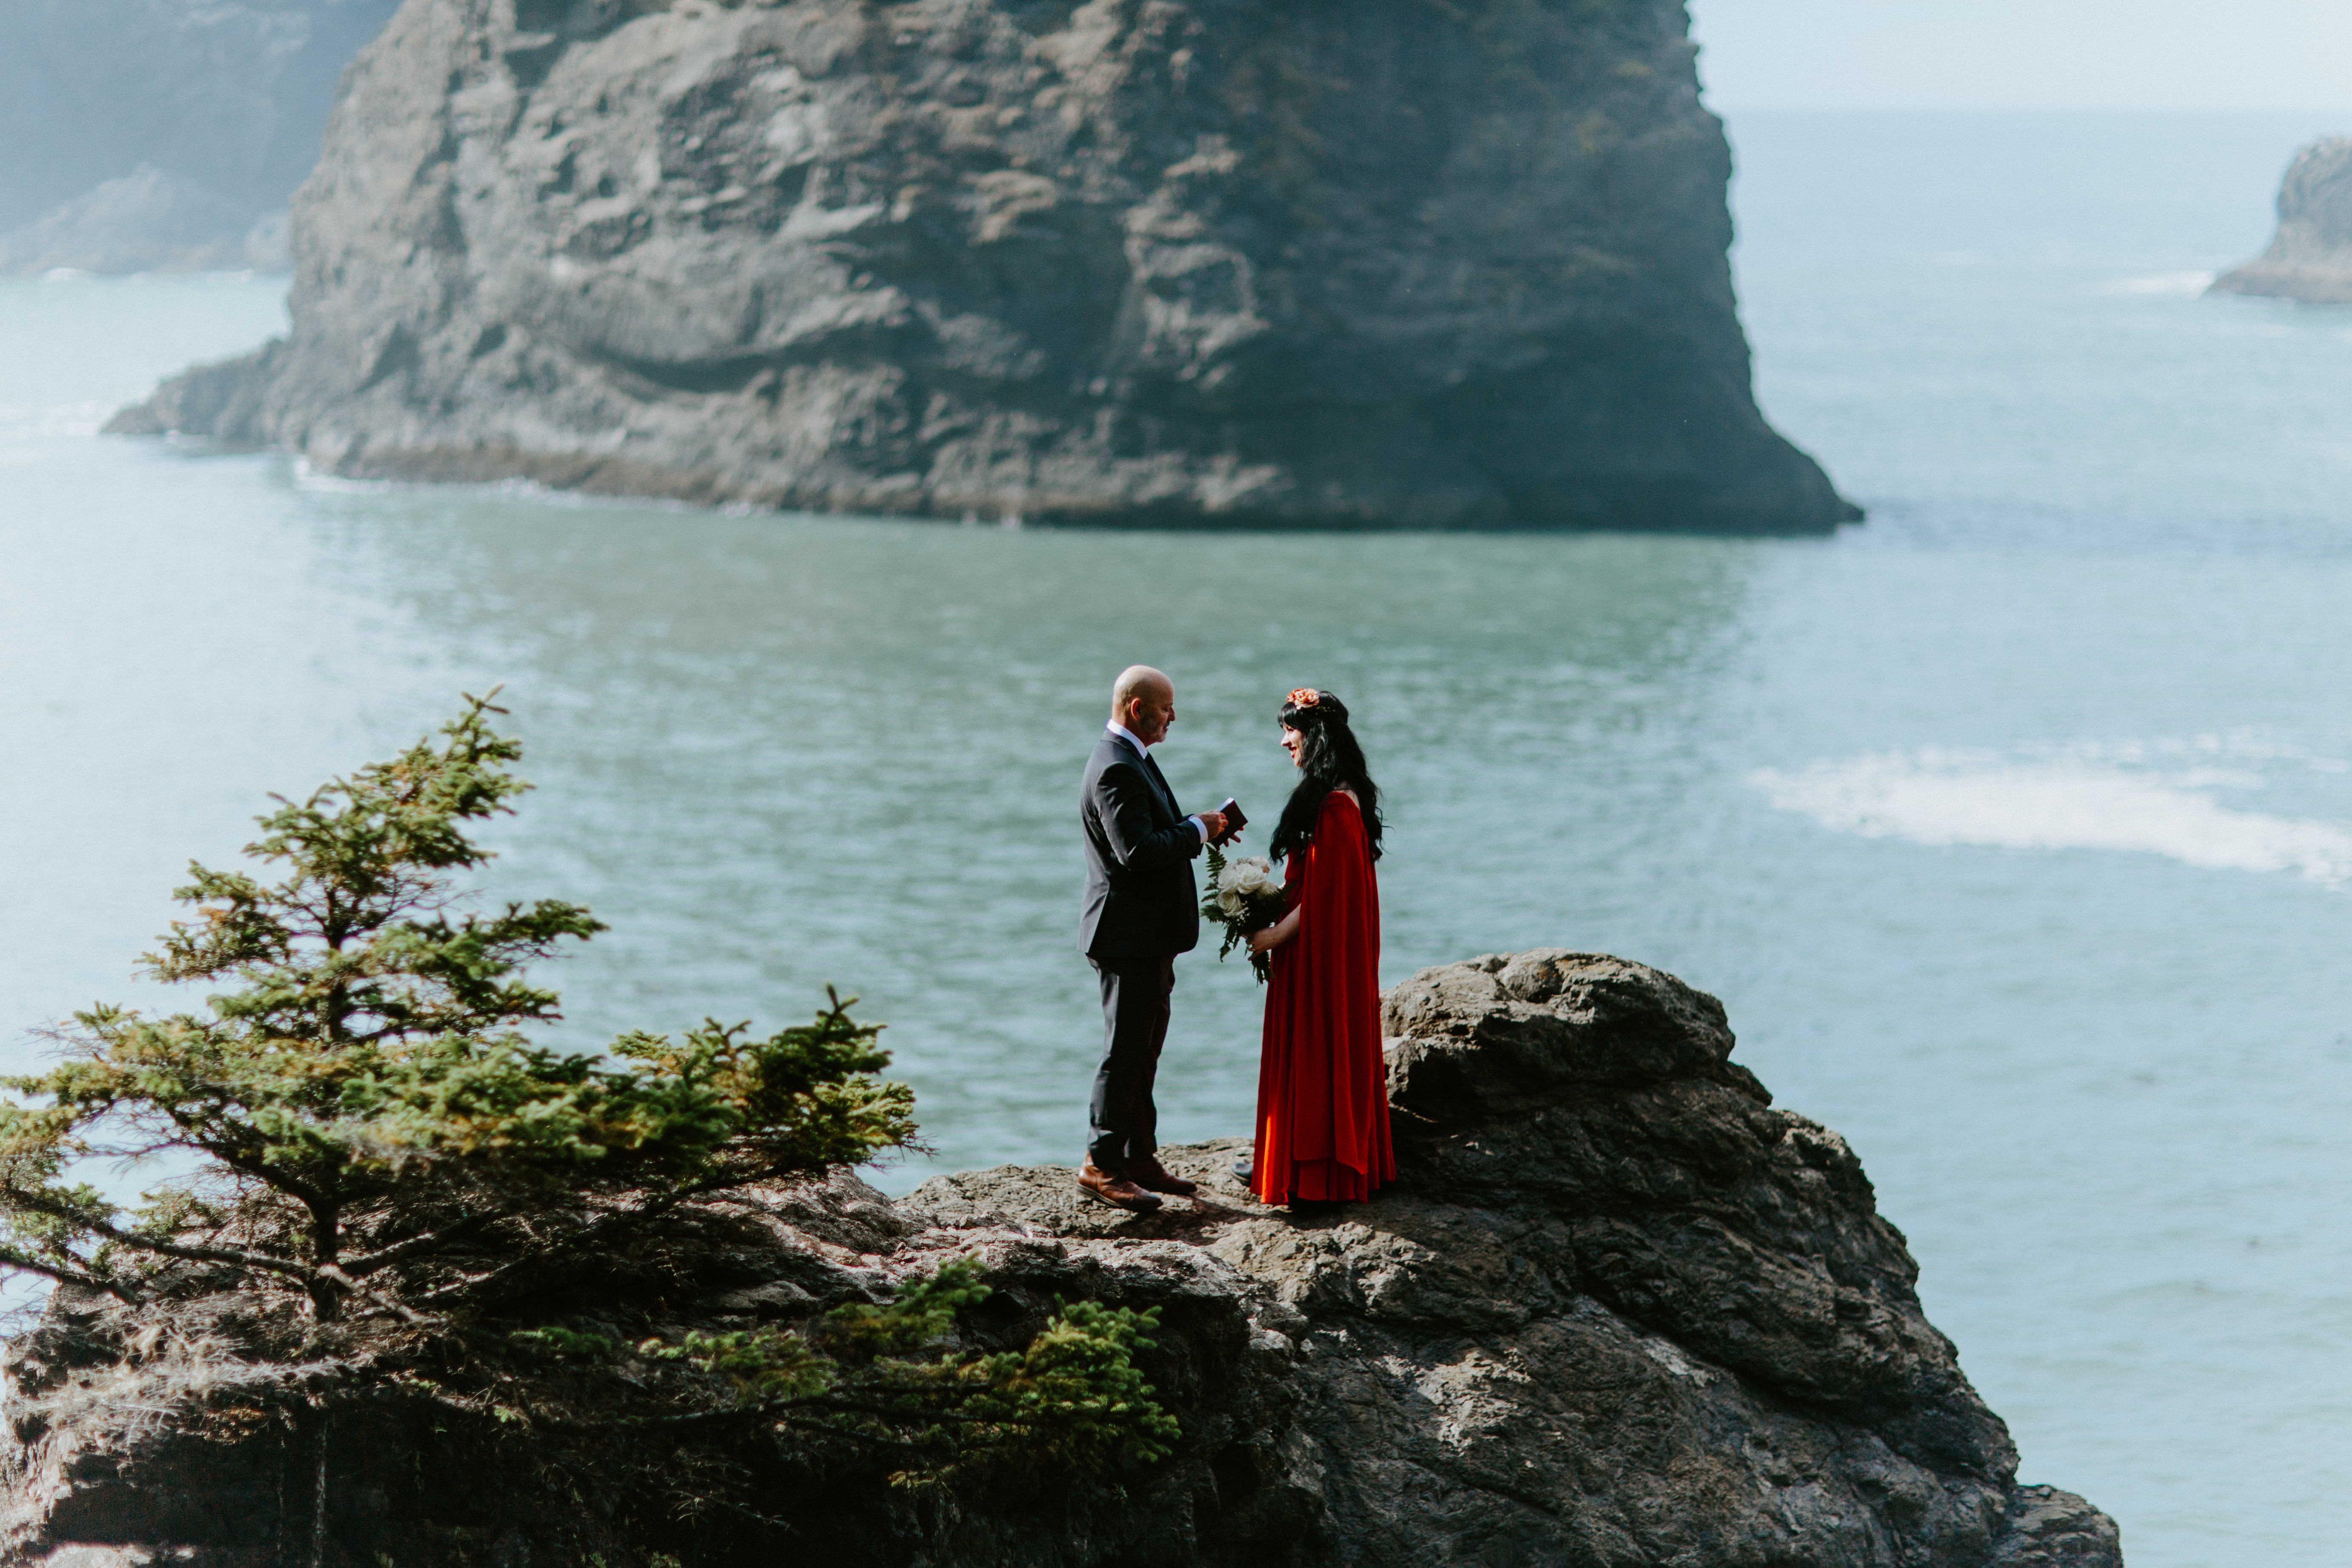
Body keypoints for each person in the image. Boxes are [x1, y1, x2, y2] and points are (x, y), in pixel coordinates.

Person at [1077, 665, 1234, 1212]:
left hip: (1146, 937)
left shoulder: (1131, 758)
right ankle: (1101, 1164)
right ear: (1137, 708)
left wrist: (1197, 824)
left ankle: (1139, 1156)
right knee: (1123, 1051)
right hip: (1127, 937)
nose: (1175, 716)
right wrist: (1198, 830)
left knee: (1144, 1049)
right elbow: (1137, 852)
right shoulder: (1115, 768)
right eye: (1167, 707)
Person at [1245, 688, 1394, 1208]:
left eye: (1292, 729)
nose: (1284, 740)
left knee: (1313, 1045)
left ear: (1316, 736)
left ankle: (1309, 1170)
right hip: (1328, 952)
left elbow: (1325, 899)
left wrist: (1269, 935)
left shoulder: (1333, 805)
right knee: (1325, 1047)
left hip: (1317, 955)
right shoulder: (1347, 794)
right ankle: (1296, 1159)